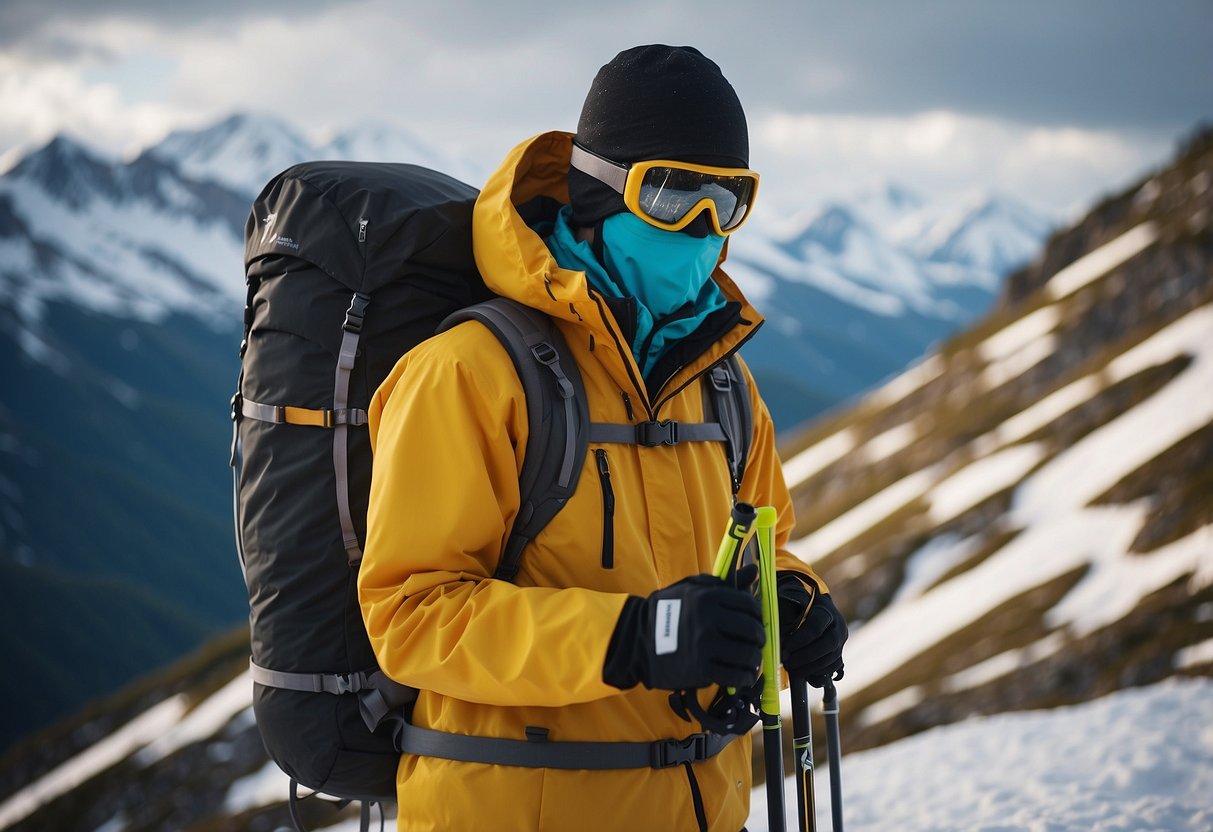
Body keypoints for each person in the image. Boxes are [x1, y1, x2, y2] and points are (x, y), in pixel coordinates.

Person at [358, 44, 847, 832]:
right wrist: (631, 639)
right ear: (596, 191)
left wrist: (791, 598)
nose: (699, 227)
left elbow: (764, 543)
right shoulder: (470, 374)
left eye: (726, 200)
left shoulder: (721, 384)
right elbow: (413, 616)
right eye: (669, 192)